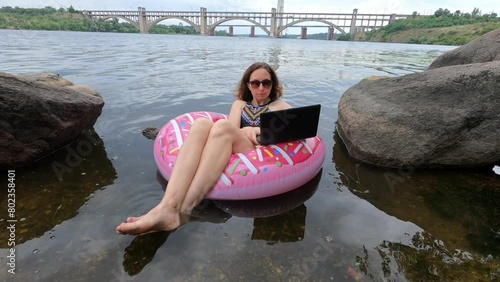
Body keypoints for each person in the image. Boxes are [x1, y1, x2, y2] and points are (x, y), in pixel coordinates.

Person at [116, 62, 292, 235]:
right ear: (248, 85)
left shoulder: (280, 107)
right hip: (237, 143)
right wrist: (245, 130)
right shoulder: (240, 104)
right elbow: (233, 129)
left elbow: (298, 127)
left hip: (255, 150)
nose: (261, 88)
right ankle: (167, 206)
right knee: (201, 124)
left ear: (273, 84)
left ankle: (184, 209)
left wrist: (257, 130)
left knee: (222, 126)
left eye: (266, 83)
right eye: (255, 83)